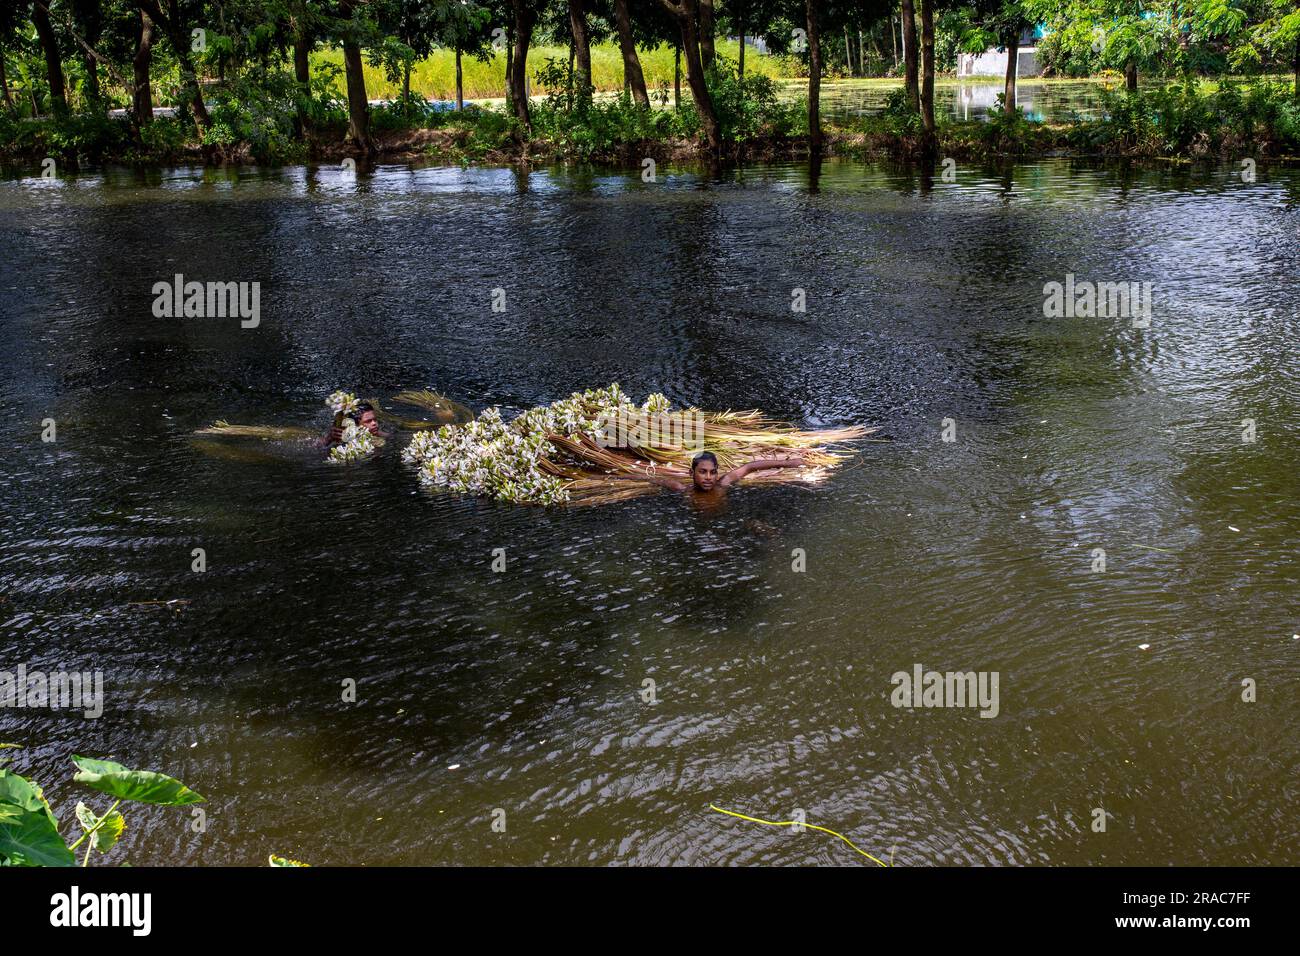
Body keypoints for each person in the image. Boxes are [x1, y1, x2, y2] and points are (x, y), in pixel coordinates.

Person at [637, 450, 808, 494]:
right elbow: (653, 479)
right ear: (691, 472)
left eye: (713, 472)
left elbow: (750, 466)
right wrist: (619, 475)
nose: (709, 478)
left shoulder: (723, 484)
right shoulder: (682, 490)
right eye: (703, 472)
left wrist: (789, 463)